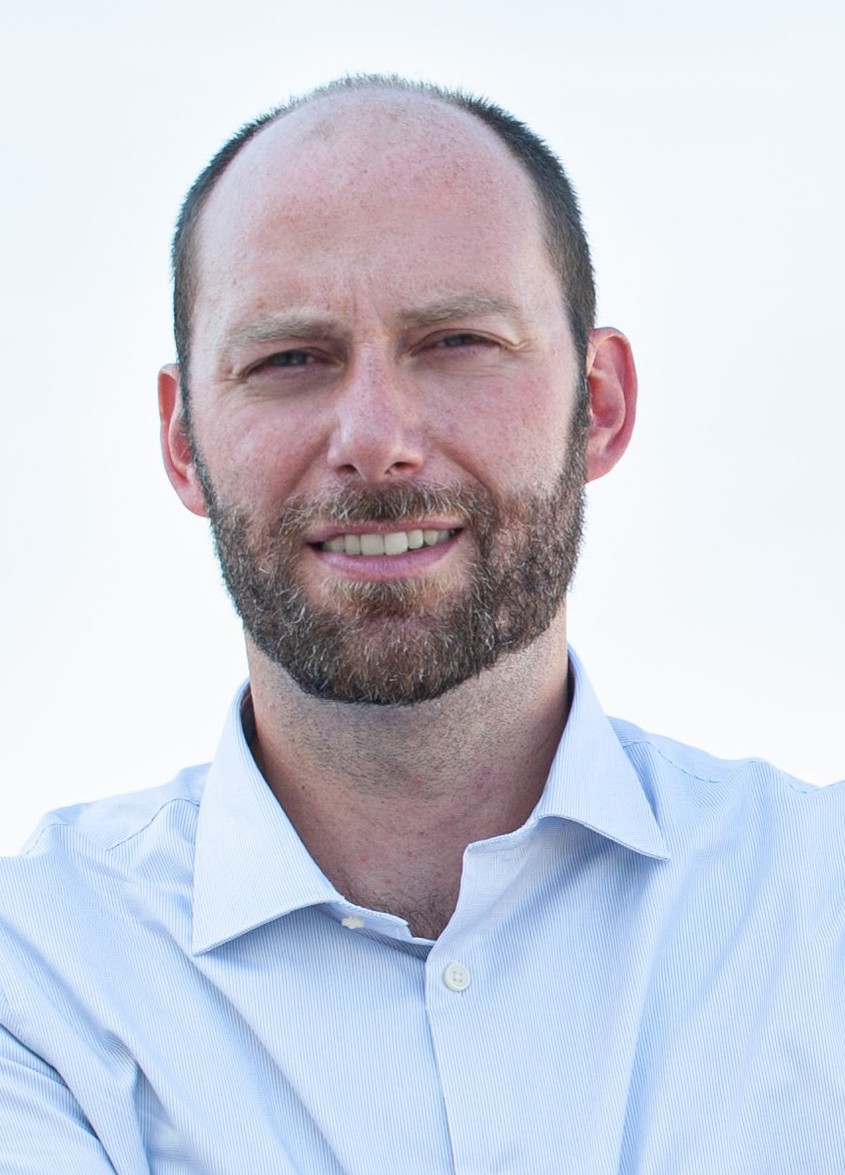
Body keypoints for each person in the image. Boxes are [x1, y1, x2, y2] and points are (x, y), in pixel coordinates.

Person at [1, 75, 843, 1175]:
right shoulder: (38, 980)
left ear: (598, 403)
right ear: (182, 440)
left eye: (455, 341)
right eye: (288, 358)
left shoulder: (819, 903)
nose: (374, 438)